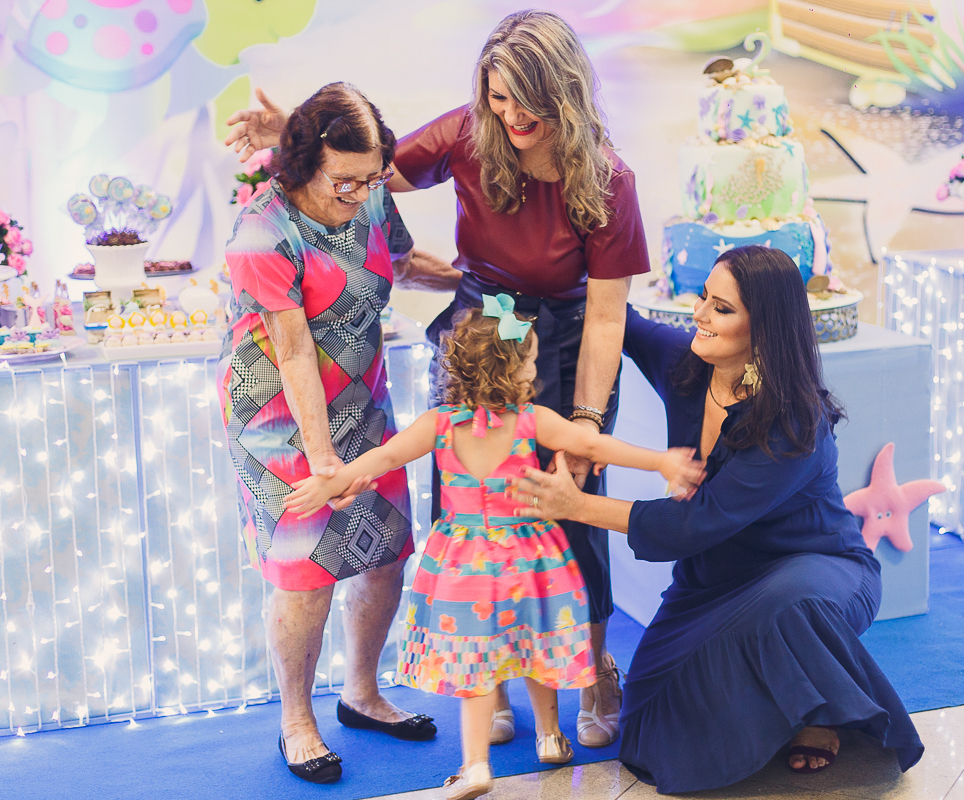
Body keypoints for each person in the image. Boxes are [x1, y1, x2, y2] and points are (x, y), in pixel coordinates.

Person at [224, 9, 648, 747]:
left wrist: (584, 422)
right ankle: (503, 671)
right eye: (496, 95)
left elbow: (609, 316)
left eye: (525, 98)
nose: (509, 113)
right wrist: (294, 131)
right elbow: (362, 167)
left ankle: (590, 666)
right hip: (483, 333)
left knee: (569, 503)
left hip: (569, 337)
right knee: (479, 513)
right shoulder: (467, 132)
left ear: (565, 92)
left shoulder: (609, 180)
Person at [510, 246, 926, 793]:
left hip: (817, 572)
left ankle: (821, 713)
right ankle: (782, 709)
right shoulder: (687, 364)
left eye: (721, 308)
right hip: (714, 582)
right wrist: (538, 259)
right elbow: (615, 312)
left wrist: (576, 505)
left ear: (764, 328)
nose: (700, 315)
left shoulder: (795, 418)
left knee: (788, 604)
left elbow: (696, 523)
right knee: (649, 727)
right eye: (703, 298)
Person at [284, 301, 703, 799]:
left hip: (464, 568)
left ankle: (476, 765)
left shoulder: (439, 423)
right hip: (530, 561)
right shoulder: (532, 421)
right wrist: (659, 461)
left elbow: (383, 457)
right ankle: (550, 736)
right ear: (511, 369)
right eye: (529, 360)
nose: (534, 368)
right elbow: (593, 447)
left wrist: (327, 482)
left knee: (476, 665)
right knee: (535, 645)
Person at [219, 82, 444, 785]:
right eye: (343, 181)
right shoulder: (263, 230)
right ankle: (296, 719)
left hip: (363, 403)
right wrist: (323, 464)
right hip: (281, 421)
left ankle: (363, 692)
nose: (359, 193)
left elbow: (404, 264)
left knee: (384, 554)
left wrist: (479, 284)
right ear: (299, 165)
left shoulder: (372, 192)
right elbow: (291, 354)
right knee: (308, 569)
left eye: (370, 178)